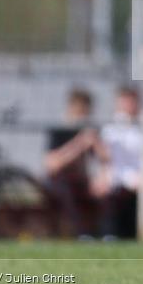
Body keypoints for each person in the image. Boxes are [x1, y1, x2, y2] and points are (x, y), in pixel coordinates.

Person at [44, 88, 99, 237]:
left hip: (81, 180)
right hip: (60, 181)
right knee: (67, 192)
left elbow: (105, 160)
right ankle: (80, 234)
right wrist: (79, 145)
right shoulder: (60, 131)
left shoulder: (90, 131)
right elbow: (52, 165)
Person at [95, 85, 143, 239]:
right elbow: (106, 159)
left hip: (141, 177)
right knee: (110, 192)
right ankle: (110, 235)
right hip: (117, 176)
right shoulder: (110, 128)